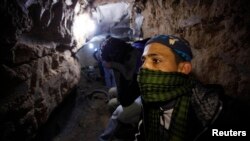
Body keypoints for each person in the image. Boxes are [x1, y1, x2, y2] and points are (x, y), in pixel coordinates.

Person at [136, 34, 250, 141]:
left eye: (156, 60)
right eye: (143, 60)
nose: (143, 67)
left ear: (184, 68)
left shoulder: (220, 113)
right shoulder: (149, 103)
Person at [99, 37, 142, 141]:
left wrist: (113, 65)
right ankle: (124, 125)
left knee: (117, 114)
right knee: (111, 95)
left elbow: (128, 76)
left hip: (142, 93)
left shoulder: (134, 54)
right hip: (133, 86)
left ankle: (104, 138)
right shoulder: (121, 51)